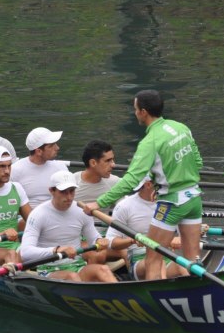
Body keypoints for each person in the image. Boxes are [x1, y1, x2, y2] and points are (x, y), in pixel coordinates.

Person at [84, 89, 203, 280]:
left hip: (172, 203)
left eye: (135, 109)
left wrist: (99, 203)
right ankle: (199, 292)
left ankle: (155, 305)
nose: (135, 112)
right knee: (192, 260)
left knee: (153, 259)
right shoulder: (182, 128)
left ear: (143, 112)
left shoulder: (150, 142)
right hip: (194, 199)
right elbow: (198, 163)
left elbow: (131, 180)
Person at [19, 171, 115, 282]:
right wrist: (56, 250)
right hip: (48, 269)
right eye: (63, 192)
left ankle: (121, 298)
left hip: (77, 265)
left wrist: (100, 240)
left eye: (72, 191)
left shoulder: (82, 211)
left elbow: (93, 238)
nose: (69, 197)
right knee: (72, 277)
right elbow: (25, 253)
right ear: (52, 191)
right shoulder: (38, 214)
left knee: (104, 269)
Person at [105, 176, 182, 280]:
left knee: (187, 266)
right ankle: (160, 293)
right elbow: (110, 242)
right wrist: (133, 240)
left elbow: (184, 233)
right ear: (148, 184)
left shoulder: (171, 204)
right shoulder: (125, 206)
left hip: (166, 256)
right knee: (158, 263)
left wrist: (194, 232)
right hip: (139, 260)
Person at [10, 127, 68, 209]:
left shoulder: (61, 168)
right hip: (25, 218)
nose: (57, 148)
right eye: (52, 145)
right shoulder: (15, 170)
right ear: (39, 151)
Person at [73, 140, 121, 204]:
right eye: (108, 160)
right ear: (93, 163)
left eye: (112, 160)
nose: (113, 165)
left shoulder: (116, 183)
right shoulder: (72, 183)